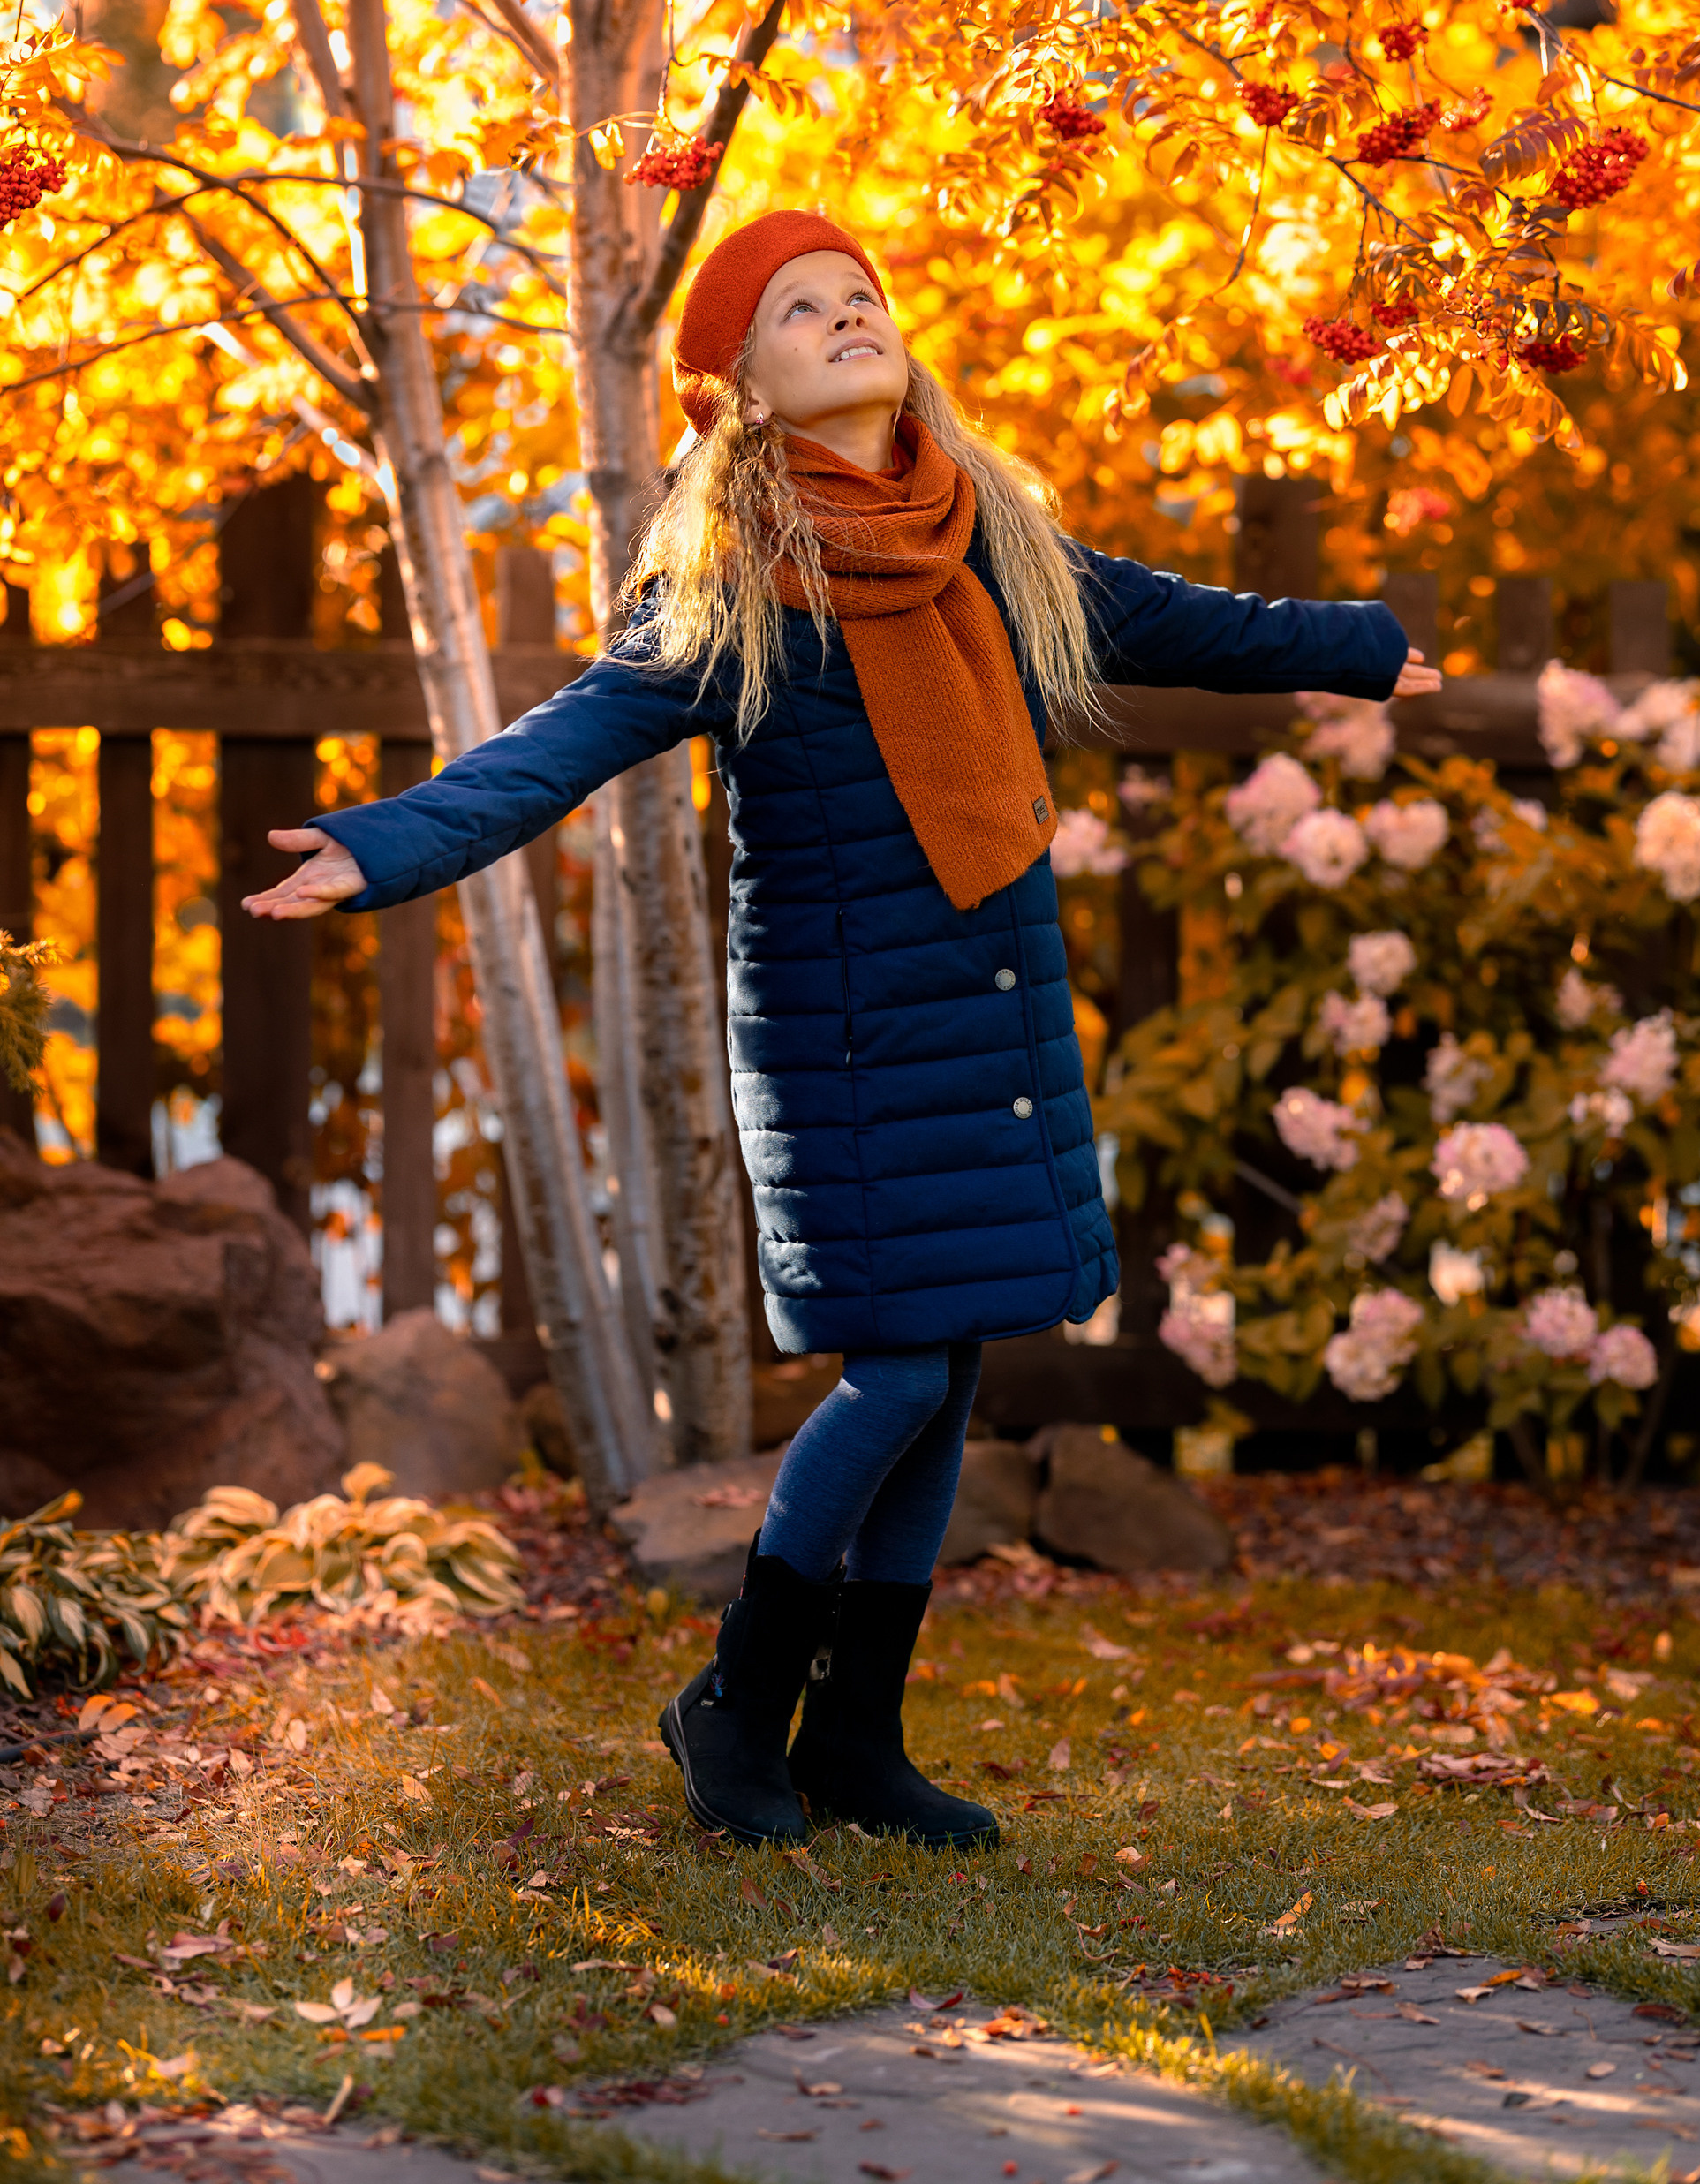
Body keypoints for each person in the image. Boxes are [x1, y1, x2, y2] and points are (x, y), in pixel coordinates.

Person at [246, 208, 1440, 1852]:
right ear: (740, 387)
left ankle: (857, 1740)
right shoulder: (735, 591)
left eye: (858, 295)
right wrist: (383, 845)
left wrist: (1360, 651)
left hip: (990, 1014)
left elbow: (1182, 619)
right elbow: (558, 744)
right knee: (892, 1371)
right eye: (798, 311)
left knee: (943, 1370)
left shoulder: (989, 543)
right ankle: (737, 1700)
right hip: (848, 1042)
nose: (845, 316)